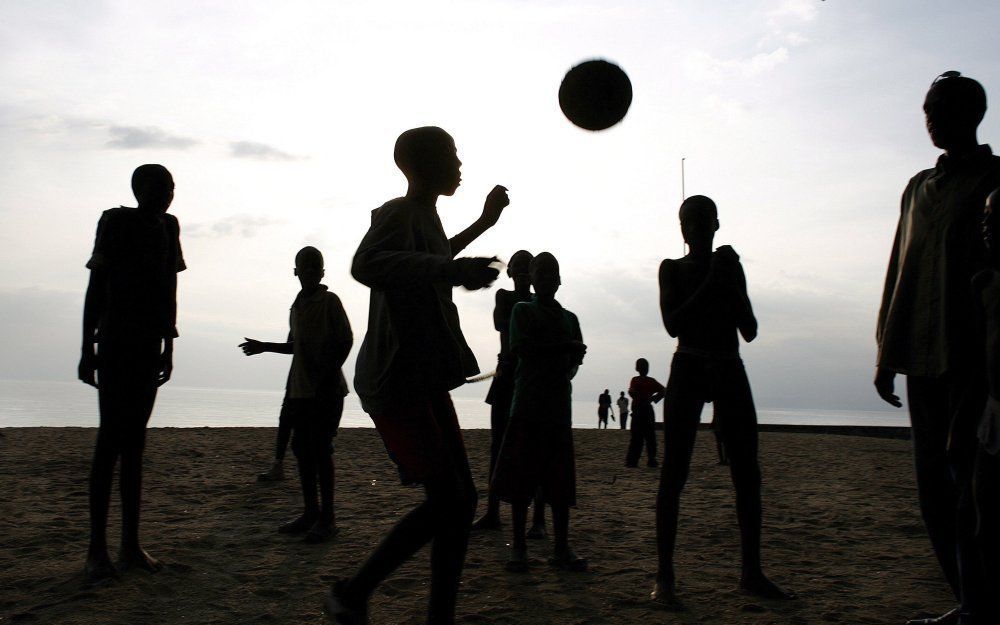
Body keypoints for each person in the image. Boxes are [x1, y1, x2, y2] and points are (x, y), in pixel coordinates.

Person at [324, 126, 509, 625]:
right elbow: (367, 263)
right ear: (422, 165)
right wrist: (453, 270)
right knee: (450, 500)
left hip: (419, 378)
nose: (460, 163)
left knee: (461, 499)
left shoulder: (423, 219)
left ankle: (434, 616)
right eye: (451, 154)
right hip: (395, 380)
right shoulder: (397, 212)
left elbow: (437, 254)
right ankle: (352, 593)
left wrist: (483, 225)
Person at [875, 72, 1000, 625]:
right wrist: (885, 349)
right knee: (933, 494)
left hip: (973, 360)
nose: (929, 117)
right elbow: (897, 268)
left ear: (971, 113)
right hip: (919, 359)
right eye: (926, 107)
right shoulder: (917, 186)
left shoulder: (995, 180)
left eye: (939, 107)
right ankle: (966, 601)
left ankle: (982, 602)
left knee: (973, 488)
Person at [653, 195, 791, 609]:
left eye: (702, 220)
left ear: (716, 225)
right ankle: (665, 575)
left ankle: (751, 571)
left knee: (748, 473)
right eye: (688, 221)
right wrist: (713, 280)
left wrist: (730, 282)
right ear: (681, 229)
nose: (694, 228)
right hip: (690, 364)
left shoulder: (730, 268)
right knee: (674, 472)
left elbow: (749, 329)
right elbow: (673, 323)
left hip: (729, 365)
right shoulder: (671, 269)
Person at [78, 164, 185, 581]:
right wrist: (88, 347)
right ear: (139, 189)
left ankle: (130, 544)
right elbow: (96, 286)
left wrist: (169, 346)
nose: (166, 194)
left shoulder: (171, 227)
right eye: (159, 187)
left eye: (171, 187)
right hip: (118, 341)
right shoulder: (116, 221)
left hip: (148, 345)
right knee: (110, 442)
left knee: (135, 445)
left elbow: (171, 288)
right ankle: (96, 550)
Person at [238, 246, 353, 543]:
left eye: (316, 267)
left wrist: (328, 371)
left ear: (323, 272)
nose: (311, 272)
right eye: (306, 267)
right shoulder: (297, 306)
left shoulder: (329, 301)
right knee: (302, 450)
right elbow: (294, 346)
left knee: (322, 452)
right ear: (296, 271)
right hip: (300, 391)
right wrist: (265, 346)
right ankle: (311, 512)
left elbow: (346, 339)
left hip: (326, 391)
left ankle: (328, 519)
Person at [491, 252, 588, 572]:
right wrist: (563, 351)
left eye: (552, 273)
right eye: (541, 273)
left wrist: (566, 356)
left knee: (559, 483)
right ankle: (519, 546)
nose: (547, 278)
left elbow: (573, 363)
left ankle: (561, 547)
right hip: (527, 406)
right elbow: (522, 350)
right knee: (521, 480)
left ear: (560, 280)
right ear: (532, 280)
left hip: (559, 409)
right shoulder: (521, 310)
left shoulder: (570, 318)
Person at [472, 250, 533, 531]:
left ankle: (539, 520)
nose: (521, 271)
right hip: (507, 372)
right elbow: (500, 323)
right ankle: (493, 511)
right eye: (517, 266)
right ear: (509, 273)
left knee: (533, 447)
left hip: (531, 376)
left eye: (527, 267)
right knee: (498, 444)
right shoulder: (505, 298)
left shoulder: (538, 302)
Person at [973, 188, 1000, 623]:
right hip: (990, 414)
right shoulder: (984, 284)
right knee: (983, 518)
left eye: (993, 218)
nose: (985, 225)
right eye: (985, 218)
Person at [625, 359, 663, 467]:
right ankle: (651, 459)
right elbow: (663, 390)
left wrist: (636, 394)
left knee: (637, 437)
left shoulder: (635, 380)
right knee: (650, 436)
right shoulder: (651, 381)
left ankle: (632, 461)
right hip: (647, 410)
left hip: (638, 410)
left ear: (637, 368)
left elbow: (632, 392)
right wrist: (654, 398)